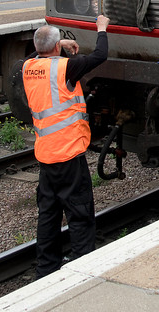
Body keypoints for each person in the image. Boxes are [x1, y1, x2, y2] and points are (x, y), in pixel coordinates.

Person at [22, 14, 110, 278]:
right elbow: (100, 55)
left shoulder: (27, 67)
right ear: (57, 46)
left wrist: (59, 46)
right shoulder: (66, 68)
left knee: (48, 213)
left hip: (46, 154)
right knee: (79, 210)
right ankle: (83, 265)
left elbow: (38, 52)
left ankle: (46, 268)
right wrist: (101, 28)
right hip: (69, 153)